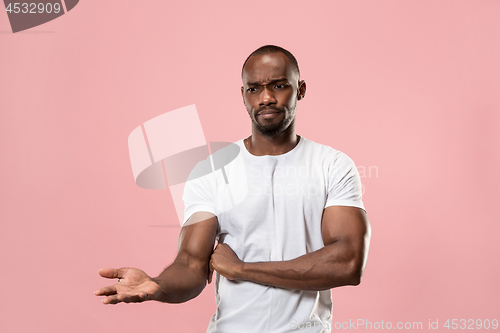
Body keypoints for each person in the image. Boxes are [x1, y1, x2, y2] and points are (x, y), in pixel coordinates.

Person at [95, 45, 371, 333]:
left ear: (300, 90)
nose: (266, 98)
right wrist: (158, 286)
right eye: (254, 89)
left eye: (279, 86)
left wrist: (242, 270)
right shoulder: (212, 170)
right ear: (243, 95)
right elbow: (191, 264)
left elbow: (348, 263)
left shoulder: (332, 165)